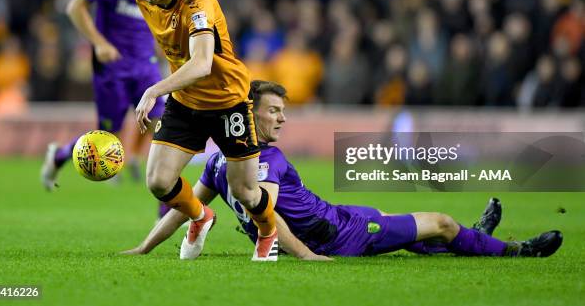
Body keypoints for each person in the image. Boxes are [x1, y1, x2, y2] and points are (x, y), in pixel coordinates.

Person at [123, 80, 563, 260]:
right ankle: (515, 250)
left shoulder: (221, 159)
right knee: (439, 224)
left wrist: (144, 248)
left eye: (283, 111)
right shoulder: (258, 161)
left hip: (339, 217)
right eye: (273, 111)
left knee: (424, 235)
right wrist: (308, 257)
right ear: (248, 112)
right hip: (340, 234)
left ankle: (480, 237)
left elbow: (187, 206)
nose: (282, 119)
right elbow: (265, 216)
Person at [125, 0, 278, 261]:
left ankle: (267, 231)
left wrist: (154, 89)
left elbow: (202, 63)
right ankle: (201, 215)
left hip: (227, 100)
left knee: (246, 193)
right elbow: (169, 42)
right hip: (185, 101)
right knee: (158, 181)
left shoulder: (197, 2)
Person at [41, 0, 164, 189]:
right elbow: (75, 7)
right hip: (114, 64)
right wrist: (99, 43)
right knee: (108, 132)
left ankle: (132, 157)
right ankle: (59, 155)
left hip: (146, 62)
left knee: (161, 116)